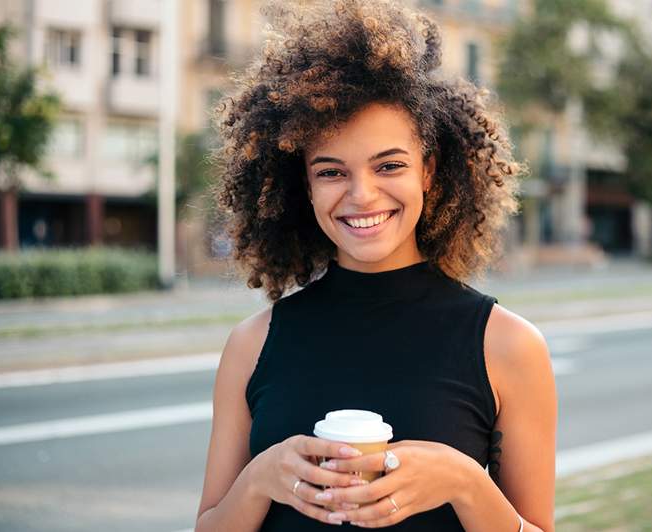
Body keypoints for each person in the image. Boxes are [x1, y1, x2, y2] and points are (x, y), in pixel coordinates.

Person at [195, 0, 556, 530]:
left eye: (389, 165)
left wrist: (464, 481)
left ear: (429, 172)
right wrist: (261, 477)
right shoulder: (252, 345)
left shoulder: (507, 346)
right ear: (305, 186)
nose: (362, 195)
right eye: (331, 172)